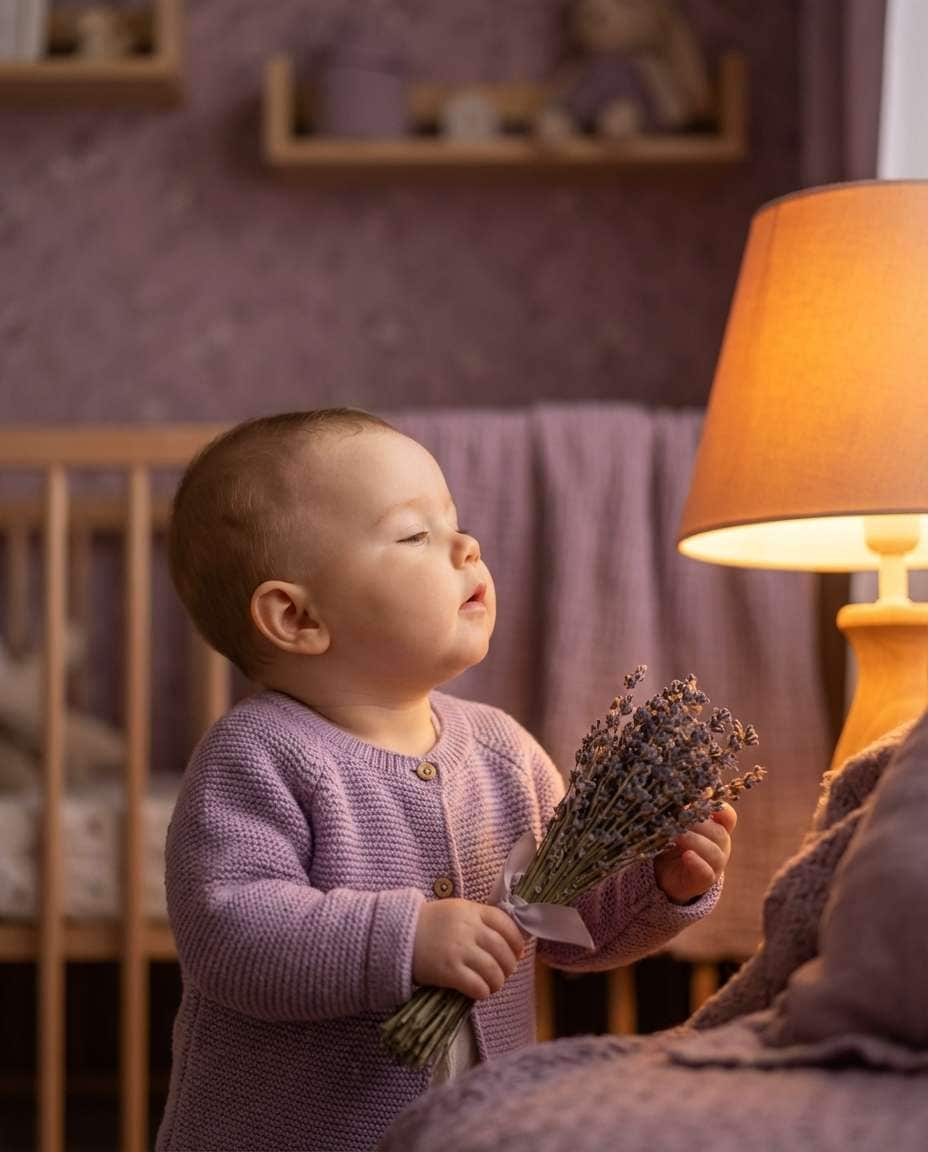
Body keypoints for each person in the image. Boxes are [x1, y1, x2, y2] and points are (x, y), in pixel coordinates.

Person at [155, 409, 736, 1152]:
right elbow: (233, 935)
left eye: (454, 522)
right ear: (296, 617)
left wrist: (661, 887)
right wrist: (406, 938)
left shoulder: (501, 751)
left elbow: (564, 921)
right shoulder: (258, 757)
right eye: (414, 535)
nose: (466, 547)